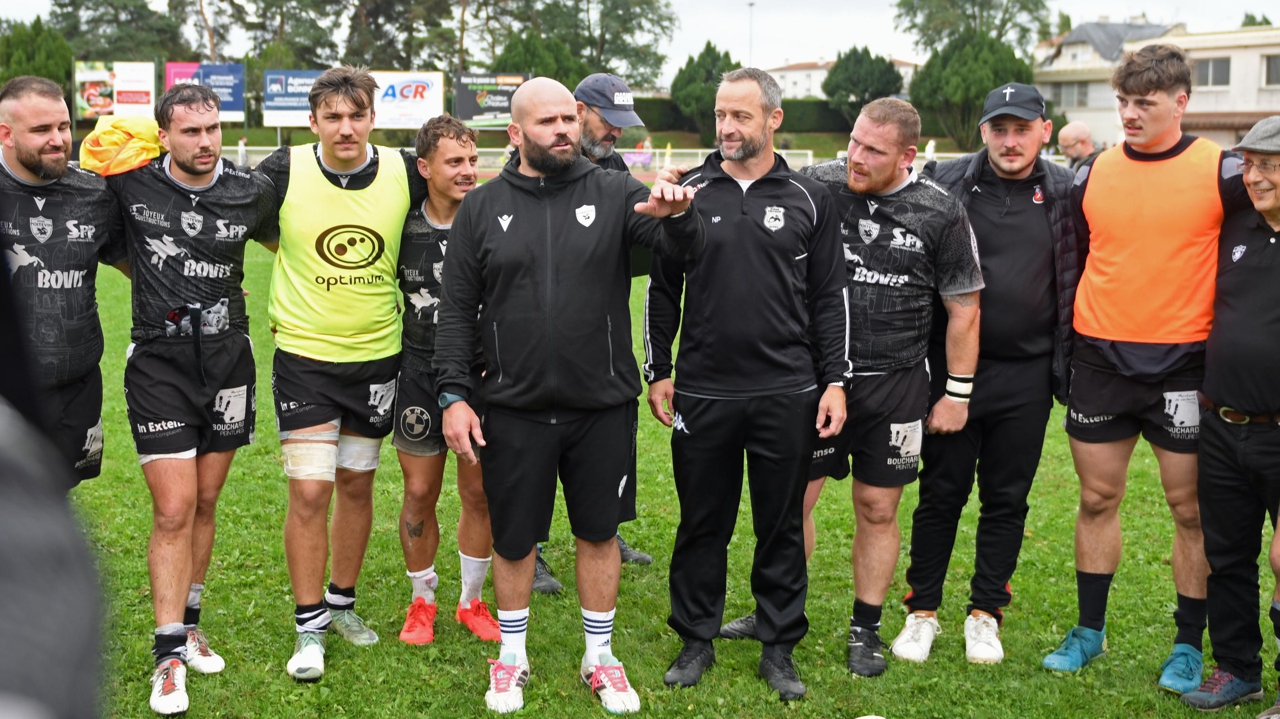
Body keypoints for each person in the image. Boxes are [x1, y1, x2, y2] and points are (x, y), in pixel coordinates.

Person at [433, 76, 702, 715]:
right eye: (547, 121)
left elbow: (677, 252)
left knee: (598, 532)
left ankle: (600, 657)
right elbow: (455, 310)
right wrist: (452, 394)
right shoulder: (482, 205)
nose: (562, 130)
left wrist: (680, 217)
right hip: (514, 408)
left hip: (600, 406)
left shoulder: (614, 191)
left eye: (568, 119)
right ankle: (513, 657)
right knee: (515, 537)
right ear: (515, 133)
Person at [721, 99, 983, 680]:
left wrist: (958, 393)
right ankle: (774, 613)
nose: (856, 159)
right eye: (854, 143)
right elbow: (745, 177)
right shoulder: (816, 184)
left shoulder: (941, 213)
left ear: (908, 156)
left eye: (874, 151)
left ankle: (865, 628)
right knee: (794, 504)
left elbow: (963, 307)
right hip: (813, 381)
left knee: (877, 506)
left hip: (896, 383)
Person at [1041, 44, 1250, 694]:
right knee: (1097, 497)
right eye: (1123, 102)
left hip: (1185, 365)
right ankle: (1088, 630)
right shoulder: (1092, 172)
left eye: (1145, 104)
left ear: (1181, 102)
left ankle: (1189, 643)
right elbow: (1072, 258)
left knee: (1190, 511)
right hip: (1100, 359)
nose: (1129, 114)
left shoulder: (1226, 171)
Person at [644, 67, 848, 702]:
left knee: (781, 523)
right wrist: (660, 370)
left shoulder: (811, 197)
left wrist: (835, 383)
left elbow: (830, 299)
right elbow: (661, 289)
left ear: (773, 120)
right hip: (703, 390)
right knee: (703, 522)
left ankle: (779, 645)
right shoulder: (687, 191)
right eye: (720, 116)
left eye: (741, 116)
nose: (728, 127)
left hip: (787, 390)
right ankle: (695, 637)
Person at [890, 83, 1076, 665]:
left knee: (1007, 498)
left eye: (1022, 129)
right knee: (941, 492)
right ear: (983, 133)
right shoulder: (946, 183)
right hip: (949, 372)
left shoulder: (1069, 192)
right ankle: (921, 611)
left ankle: (985, 613)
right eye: (1000, 129)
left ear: (1045, 130)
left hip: (1026, 375)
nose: (1011, 141)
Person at [108, 83, 277, 715]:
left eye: (212, 130)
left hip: (230, 361)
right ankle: (167, 656)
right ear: (164, 136)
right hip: (160, 363)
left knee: (206, 501)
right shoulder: (131, 185)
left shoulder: (249, 191)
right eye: (190, 132)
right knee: (174, 509)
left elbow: (292, 247)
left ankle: (190, 621)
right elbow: (106, 243)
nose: (204, 143)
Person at [255, 65, 427, 681]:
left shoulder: (407, 169)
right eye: (333, 116)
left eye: (357, 116)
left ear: (373, 119)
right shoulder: (282, 170)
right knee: (309, 490)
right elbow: (244, 223)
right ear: (313, 122)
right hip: (304, 358)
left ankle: (342, 604)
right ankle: (309, 629)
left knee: (356, 485)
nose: (346, 127)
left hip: (379, 356)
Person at [1178, 117, 1280, 712]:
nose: (1254, 176)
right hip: (1222, 423)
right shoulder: (1236, 222)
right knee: (1228, 553)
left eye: (1270, 164)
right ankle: (1238, 667)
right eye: (1250, 163)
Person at [392, 114, 499, 646]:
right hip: (416, 371)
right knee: (418, 491)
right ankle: (422, 601)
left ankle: (471, 601)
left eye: (473, 161)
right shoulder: (401, 223)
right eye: (455, 162)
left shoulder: (493, 217)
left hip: (482, 378)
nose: (467, 172)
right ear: (424, 167)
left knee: (478, 491)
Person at [0, 76, 126, 490]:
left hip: (75, 387)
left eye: (63, 126)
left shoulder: (94, 194)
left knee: (55, 501)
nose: (58, 140)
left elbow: (130, 262)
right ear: (6, 134)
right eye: (41, 130)